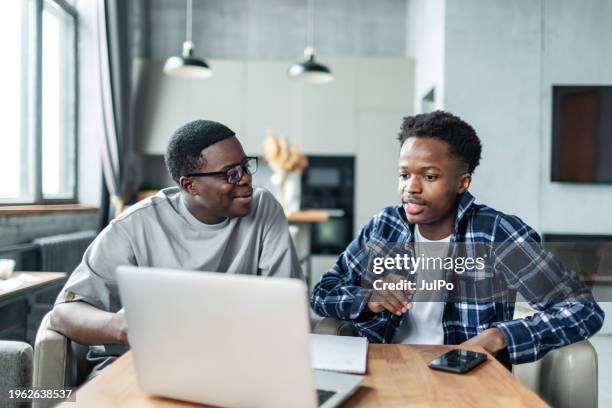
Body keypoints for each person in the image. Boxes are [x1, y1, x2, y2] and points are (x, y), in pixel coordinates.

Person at [310, 111, 604, 366]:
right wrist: (369, 298)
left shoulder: (496, 234)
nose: (410, 188)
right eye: (404, 175)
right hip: (386, 368)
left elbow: (582, 309)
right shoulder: (383, 226)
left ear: (462, 182)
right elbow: (323, 292)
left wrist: (499, 336)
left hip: (462, 375)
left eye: (429, 177)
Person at [51, 119, 303, 375]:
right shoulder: (135, 224)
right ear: (189, 185)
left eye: (245, 167)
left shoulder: (264, 208)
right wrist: (122, 326)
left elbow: (287, 306)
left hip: (228, 360)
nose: (246, 180)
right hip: (141, 363)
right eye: (231, 173)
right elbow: (63, 314)